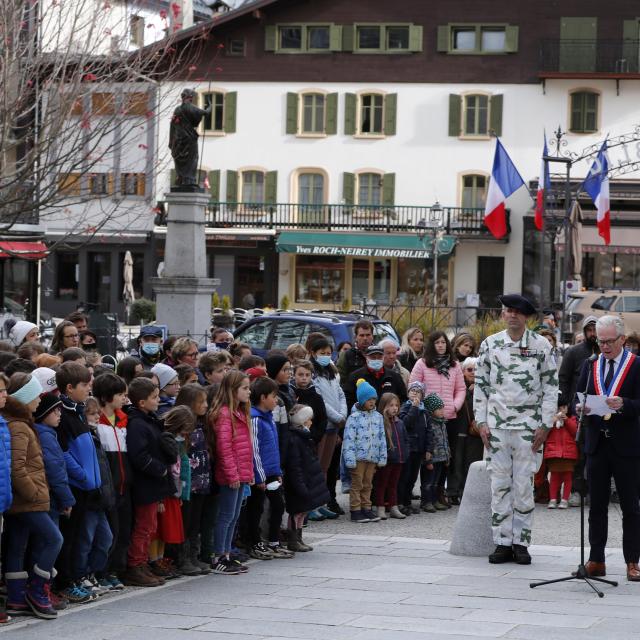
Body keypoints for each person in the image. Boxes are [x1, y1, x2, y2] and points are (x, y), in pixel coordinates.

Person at [474, 294, 558, 565]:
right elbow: (481, 386)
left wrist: (545, 424)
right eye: (508, 311)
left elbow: (550, 388)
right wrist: (481, 422)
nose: (512, 315)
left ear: (526, 317)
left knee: (523, 486)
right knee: (499, 486)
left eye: (517, 312)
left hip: (527, 428)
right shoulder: (491, 344)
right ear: (503, 315)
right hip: (497, 427)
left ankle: (521, 542)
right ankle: (502, 542)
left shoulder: (541, 345)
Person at [576, 315, 640, 582]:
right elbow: (575, 398)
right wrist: (579, 407)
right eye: (600, 341)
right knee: (597, 506)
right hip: (597, 443)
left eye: (609, 341)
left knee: (630, 507)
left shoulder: (636, 365)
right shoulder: (590, 364)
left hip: (626, 446)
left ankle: (632, 562)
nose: (603, 346)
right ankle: (596, 560)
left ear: (622, 339)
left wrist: (624, 404)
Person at [4, 373, 63, 620]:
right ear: (26, 397)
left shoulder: (20, 422)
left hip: (21, 500)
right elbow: (17, 468)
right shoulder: (18, 426)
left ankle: (17, 598)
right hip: (28, 500)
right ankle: (37, 590)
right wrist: (35, 493)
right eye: (37, 395)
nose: (41, 399)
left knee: (17, 546)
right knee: (54, 539)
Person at [54, 362, 102, 601]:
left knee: (78, 537)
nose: (88, 389)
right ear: (69, 387)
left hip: (87, 486)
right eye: (84, 385)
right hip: (76, 486)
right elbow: (64, 454)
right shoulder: (63, 416)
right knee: (69, 538)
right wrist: (83, 477)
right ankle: (64, 582)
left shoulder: (78, 412)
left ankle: (73, 578)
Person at [123, 378, 178, 587]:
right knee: (144, 526)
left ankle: (143, 562)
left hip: (154, 484)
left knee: (150, 525)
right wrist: (160, 468)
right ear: (141, 402)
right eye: (154, 397)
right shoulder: (137, 423)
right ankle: (135, 565)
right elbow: (139, 455)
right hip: (145, 483)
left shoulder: (149, 420)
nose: (158, 400)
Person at [409, 331, 465, 505]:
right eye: (437, 342)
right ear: (431, 345)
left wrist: (454, 406)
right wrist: (424, 407)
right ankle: (428, 496)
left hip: (449, 417)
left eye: (443, 342)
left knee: (446, 458)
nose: (440, 345)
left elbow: (461, 389)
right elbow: (413, 387)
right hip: (428, 418)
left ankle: (440, 493)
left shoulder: (454, 365)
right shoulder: (422, 364)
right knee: (429, 457)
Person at [208, 371, 253, 575]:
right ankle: (218, 555)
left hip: (241, 472)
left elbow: (246, 447)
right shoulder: (225, 414)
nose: (248, 391)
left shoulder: (240, 412)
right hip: (230, 475)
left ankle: (226, 553)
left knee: (234, 515)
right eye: (244, 388)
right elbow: (224, 448)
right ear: (232, 390)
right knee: (225, 515)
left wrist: (248, 472)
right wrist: (233, 475)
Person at [246, 377, 293, 559]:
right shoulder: (256, 419)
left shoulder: (268, 419)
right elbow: (255, 450)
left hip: (272, 472)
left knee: (278, 505)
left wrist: (277, 471)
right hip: (260, 475)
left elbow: (273, 448)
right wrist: (259, 477)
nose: (276, 400)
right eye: (273, 396)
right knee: (256, 509)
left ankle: (273, 541)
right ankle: (256, 542)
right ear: (263, 397)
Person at [93, 373, 131, 590]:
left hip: (126, 485)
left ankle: (115, 570)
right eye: (119, 394)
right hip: (109, 487)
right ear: (107, 397)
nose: (123, 398)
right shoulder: (98, 422)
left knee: (123, 532)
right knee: (109, 532)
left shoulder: (124, 420)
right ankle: (102, 571)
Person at [558, 315, 599, 507]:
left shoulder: (605, 352)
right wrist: (564, 404)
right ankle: (576, 490)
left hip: (601, 410)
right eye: (589, 330)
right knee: (578, 454)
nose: (593, 334)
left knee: (597, 453)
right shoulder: (573, 352)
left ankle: (595, 490)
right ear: (584, 331)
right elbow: (563, 379)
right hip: (578, 411)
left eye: (595, 329)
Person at [79, 397, 115, 597]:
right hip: (90, 497)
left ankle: (93, 572)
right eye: (92, 414)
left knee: (105, 538)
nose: (97, 417)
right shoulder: (84, 436)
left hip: (101, 497)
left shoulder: (94, 436)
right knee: (86, 539)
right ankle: (82, 574)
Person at [175, 384, 212, 575]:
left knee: (196, 520)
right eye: (201, 402)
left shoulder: (201, 424)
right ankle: (182, 558)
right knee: (186, 521)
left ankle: (193, 556)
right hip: (188, 484)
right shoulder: (184, 427)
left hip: (202, 481)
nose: (206, 405)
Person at [308, 336, 347, 515]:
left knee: (325, 467)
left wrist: (342, 415)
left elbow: (340, 394)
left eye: (329, 353)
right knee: (315, 467)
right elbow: (320, 400)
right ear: (313, 354)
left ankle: (321, 503)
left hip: (335, 425)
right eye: (322, 353)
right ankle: (311, 505)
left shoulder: (331, 371)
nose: (326, 356)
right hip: (323, 424)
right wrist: (335, 416)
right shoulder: (312, 373)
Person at [284, 404, 330, 551]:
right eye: (309, 420)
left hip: (306, 479)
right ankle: (293, 539)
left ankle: (299, 537)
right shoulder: (295, 439)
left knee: (303, 511)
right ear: (302, 421)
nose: (311, 422)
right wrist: (301, 485)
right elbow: (294, 466)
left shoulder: (305, 437)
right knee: (296, 512)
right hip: (299, 482)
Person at [156, 405, 195, 576]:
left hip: (176, 489)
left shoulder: (179, 442)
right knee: (160, 529)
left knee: (171, 529)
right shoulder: (166, 440)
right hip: (166, 490)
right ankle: (157, 560)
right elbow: (170, 466)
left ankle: (164, 559)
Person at [343, 379, 387, 523]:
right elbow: (348, 439)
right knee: (357, 484)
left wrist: (382, 457)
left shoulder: (378, 417)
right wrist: (349, 459)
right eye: (369, 399)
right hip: (357, 458)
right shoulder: (353, 418)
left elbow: (382, 438)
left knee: (368, 483)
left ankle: (366, 508)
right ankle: (356, 510)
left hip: (372, 457)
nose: (372, 402)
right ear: (362, 400)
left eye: (374, 399)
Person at [398, 381, 431, 515]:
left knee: (412, 478)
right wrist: (414, 408)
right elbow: (406, 423)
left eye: (418, 391)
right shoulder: (405, 408)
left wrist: (428, 449)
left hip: (419, 449)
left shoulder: (424, 411)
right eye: (413, 390)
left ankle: (407, 502)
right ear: (408, 393)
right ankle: (400, 503)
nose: (415, 393)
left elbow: (429, 431)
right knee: (404, 477)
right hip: (408, 448)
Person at [375, 393, 409, 520]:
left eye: (397, 405)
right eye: (391, 405)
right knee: (382, 483)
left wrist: (405, 453)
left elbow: (405, 439)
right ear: (384, 406)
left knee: (394, 484)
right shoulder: (381, 422)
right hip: (387, 460)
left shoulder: (400, 422)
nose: (395, 408)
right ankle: (380, 507)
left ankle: (393, 507)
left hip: (399, 459)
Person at [345, 344, 407, 412]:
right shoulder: (355, 376)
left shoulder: (394, 376)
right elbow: (348, 400)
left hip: (390, 419)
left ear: (383, 357)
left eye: (379, 357)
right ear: (366, 358)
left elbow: (403, 399)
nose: (376, 360)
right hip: (364, 419)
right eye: (373, 357)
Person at [169, 88, 210, 187]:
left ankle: (181, 178)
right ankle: (189, 180)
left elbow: (172, 126)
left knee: (181, 160)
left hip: (178, 141)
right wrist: (209, 105)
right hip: (189, 140)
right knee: (193, 158)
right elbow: (206, 113)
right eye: (192, 97)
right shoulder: (191, 108)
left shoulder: (177, 109)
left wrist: (171, 141)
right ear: (190, 97)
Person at [544, 401, 578, 509]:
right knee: (554, 477)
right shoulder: (551, 420)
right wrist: (553, 421)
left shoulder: (572, 419)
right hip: (554, 453)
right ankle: (553, 499)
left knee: (567, 477)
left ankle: (565, 499)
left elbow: (575, 431)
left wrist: (566, 420)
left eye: (564, 407)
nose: (561, 410)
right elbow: (545, 432)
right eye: (559, 408)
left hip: (568, 453)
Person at [421, 393, 450, 512]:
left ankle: (434, 500)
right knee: (429, 481)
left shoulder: (442, 422)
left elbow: (445, 440)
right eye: (439, 408)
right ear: (431, 410)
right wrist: (427, 460)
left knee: (437, 481)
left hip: (442, 458)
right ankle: (426, 501)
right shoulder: (429, 424)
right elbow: (427, 443)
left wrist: (448, 456)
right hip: (432, 458)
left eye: (442, 408)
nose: (442, 411)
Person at [458, 357, 484, 493]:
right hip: (460, 429)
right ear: (463, 371)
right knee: (458, 462)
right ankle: (457, 490)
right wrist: (469, 392)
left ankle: (470, 490)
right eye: (469, 370)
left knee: (473, 460)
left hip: (477, 431)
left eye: (476, 370)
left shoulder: (484, 386)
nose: (473, 372)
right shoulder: (459, 385)